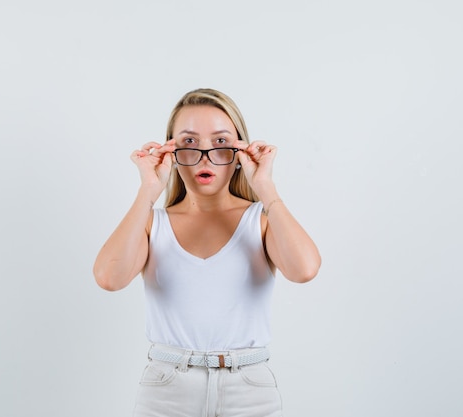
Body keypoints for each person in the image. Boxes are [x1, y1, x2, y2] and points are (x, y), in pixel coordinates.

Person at [93, 88, 321, 417]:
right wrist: (148, 190)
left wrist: (265, 187)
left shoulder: (261, 220)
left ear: (240, 151)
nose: (204, 156)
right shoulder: (151, 223)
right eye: (188, 142)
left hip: (249, 389)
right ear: (169, 150)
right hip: (167, 389)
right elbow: (108, 277)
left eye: (220, 142)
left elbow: (305, 270)